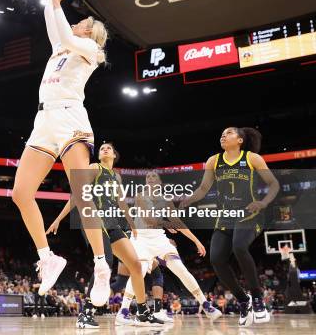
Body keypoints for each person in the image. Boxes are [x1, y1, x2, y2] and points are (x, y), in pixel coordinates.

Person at [10, 0, 111, 307]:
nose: (78, 22)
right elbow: (48, 11)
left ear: (92, 34)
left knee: (82, 195)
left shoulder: (90, 52)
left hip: (71, 120)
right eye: (79, 20)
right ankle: (47, 257)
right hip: (44, 122)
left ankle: (100, 265)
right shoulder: (61, 49)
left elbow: (64, 31)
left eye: (83, 23)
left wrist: (57, 3)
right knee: (20, 193)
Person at [47, 143, 158, 328]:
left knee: (136, 266)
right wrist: (59, 218)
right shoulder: (94, 168)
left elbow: (121, 202)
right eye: (101, 149)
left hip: (112, 223)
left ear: (115, 154)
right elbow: (78, 194)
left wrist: (131, 223)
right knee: (105, 261)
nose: (104, 150)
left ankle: (142, 312)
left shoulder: (117, 176)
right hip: (94, 220)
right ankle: (85, 313)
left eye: (108, 148)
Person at [180, 127, 279, 327]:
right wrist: (188, 200)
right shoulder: (213, 161)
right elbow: (203, 188)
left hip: (250, 214)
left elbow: (273, 184)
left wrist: (263, 202)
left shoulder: (252, 158)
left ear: (240, 140)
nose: (223, 135)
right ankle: (244, 300)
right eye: (222, 133)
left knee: (239, 247)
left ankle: (258, 300)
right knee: (216, 259)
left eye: (229, 133)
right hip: (225, 217)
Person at [120, 171, 222, 326]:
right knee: (139, 271)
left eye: (154, 176)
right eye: (148, 177)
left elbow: (177, 222)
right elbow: (149, 219)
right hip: (141, 239)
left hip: (159, 238)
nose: (151, 178)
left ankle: (206, 305)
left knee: (180, 268)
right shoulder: (141, 196)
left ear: (160, 182)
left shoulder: (166, 200)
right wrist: (168, 224)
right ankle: (123, 311)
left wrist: (196, 241)